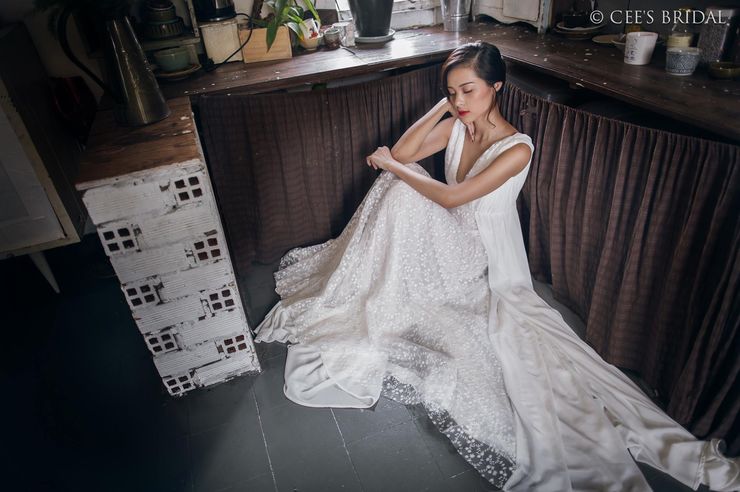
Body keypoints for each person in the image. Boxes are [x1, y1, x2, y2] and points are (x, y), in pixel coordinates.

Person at [254, 41, 739, 491]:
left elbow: (447, 194)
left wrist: (393, 165)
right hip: (446, 235)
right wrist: (441, 111)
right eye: (452, 92)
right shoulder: (457, 124)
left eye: (469, 90)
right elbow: (403, 152)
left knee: (402, 185)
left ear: (496, 86)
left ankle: (381, 282)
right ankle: (378, 285)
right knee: (401, 183)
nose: (461, 101)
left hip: (477, 253)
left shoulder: (517, 147)